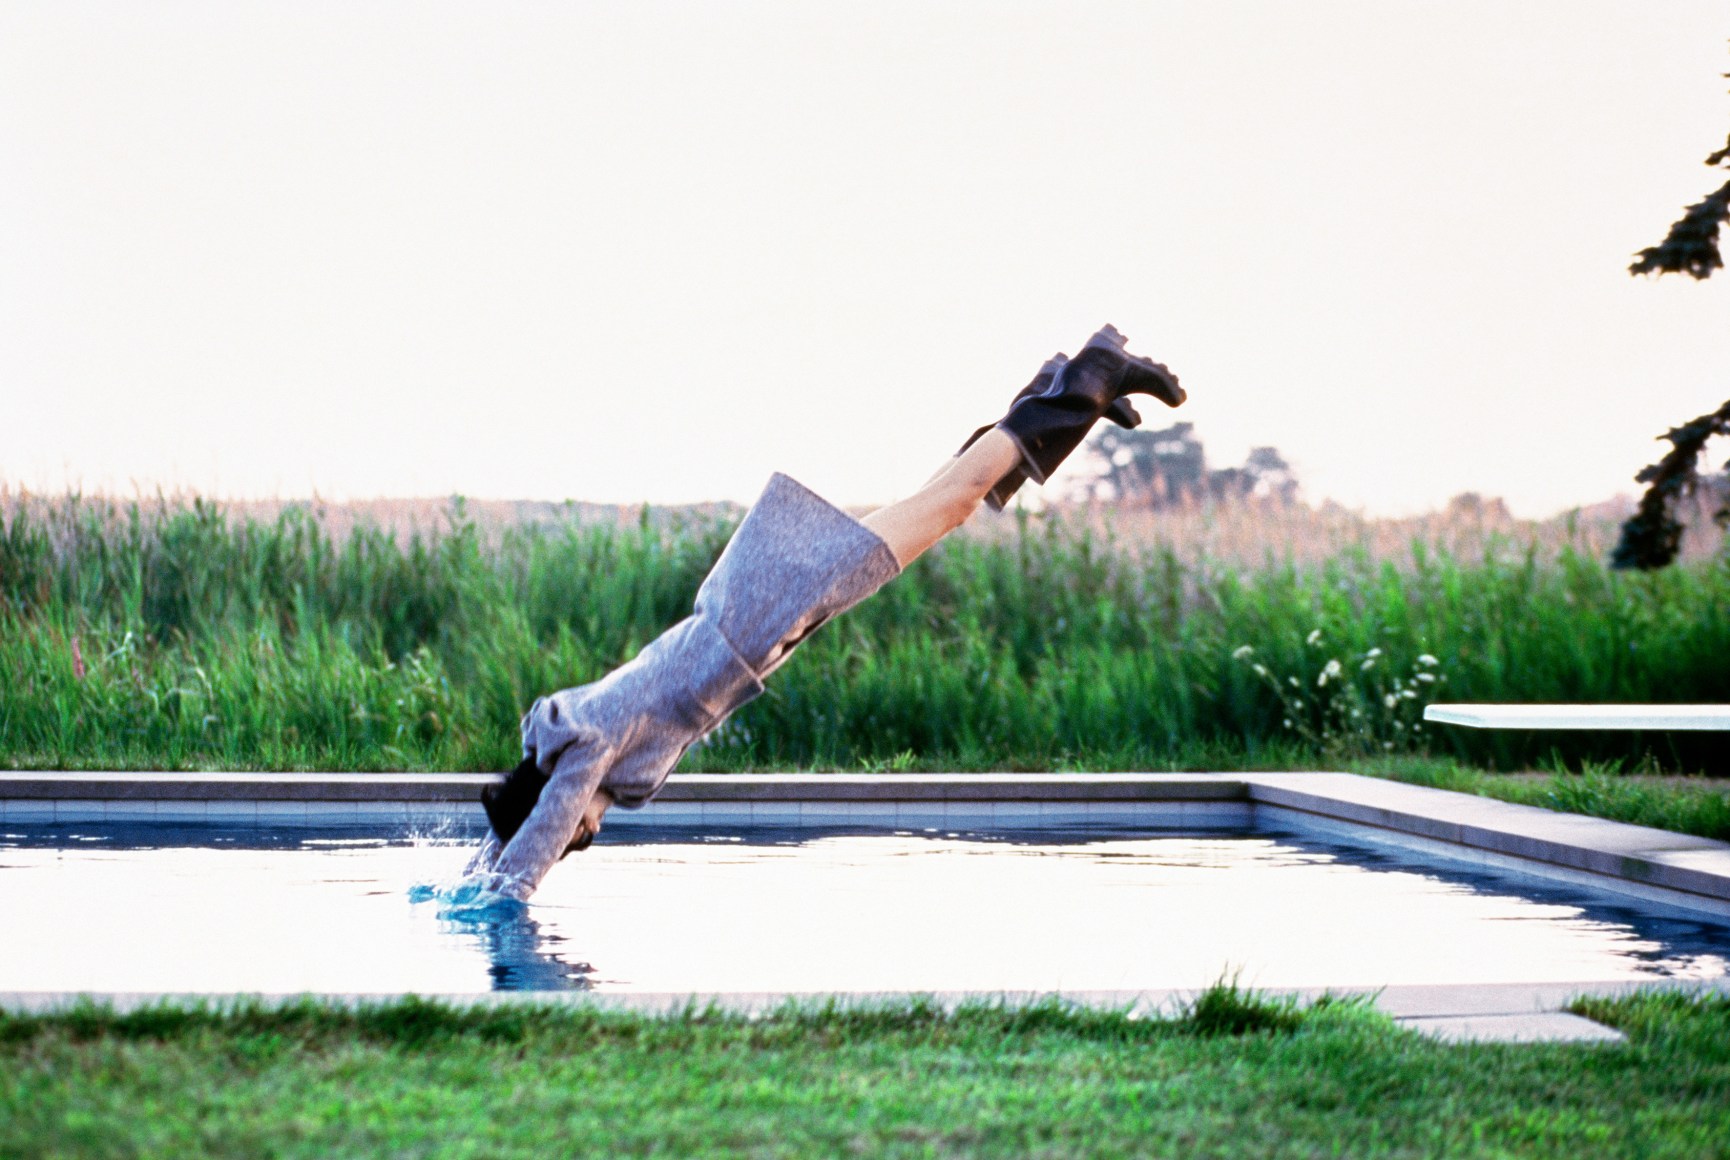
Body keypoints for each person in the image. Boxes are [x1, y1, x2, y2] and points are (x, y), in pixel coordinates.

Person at [460, 324, 1186, 901]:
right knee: (938, 502)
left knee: (951, 503)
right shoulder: (576, 743)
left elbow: (527, 853)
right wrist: (476, 870)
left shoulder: (583, 748)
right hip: (763, 614)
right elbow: (514, 832)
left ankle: (1092, 374)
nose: (588, 826)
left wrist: (502, 894)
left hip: (763, 607)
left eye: (579, 830)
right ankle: (1068, 392)